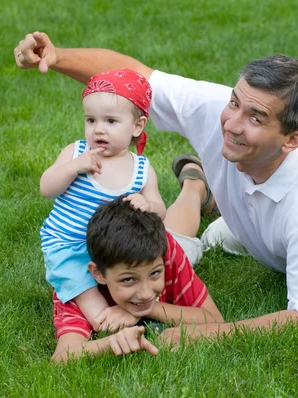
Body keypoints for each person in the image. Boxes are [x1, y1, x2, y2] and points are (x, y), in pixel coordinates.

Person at [15, 32, 298, 344]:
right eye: (235, 102)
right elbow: (134, 76)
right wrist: (56, 57)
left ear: (294, 139)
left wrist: (201, 335)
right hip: (252, 222)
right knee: (165, 248)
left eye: (255, 118)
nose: (231, 124)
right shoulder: (227, 111)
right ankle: (197, 186)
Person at [40, 67, 214, 333]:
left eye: (110, 121)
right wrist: (72, 167)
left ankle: (195, 185)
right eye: (90, 120)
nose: (98, 129)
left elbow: (159, 209)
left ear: (137, 126)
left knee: (174, 248)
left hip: (124, 249)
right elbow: (46, 188)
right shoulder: (77, 152)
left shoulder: (141, 169)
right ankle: (119, 322)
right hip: (69, 246)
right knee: (94, 309)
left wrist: (149, 206)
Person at [52, 196, 223, 362]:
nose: (145, 293)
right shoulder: (78, 286)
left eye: (155, 273)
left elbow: (214, 319)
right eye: (128, 280)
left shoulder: (165, 253)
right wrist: (110, 342)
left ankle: (194, 187)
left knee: (189, 244)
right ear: (98, 273)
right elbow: (62, 357)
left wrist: (148, 308)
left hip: (176, 242)